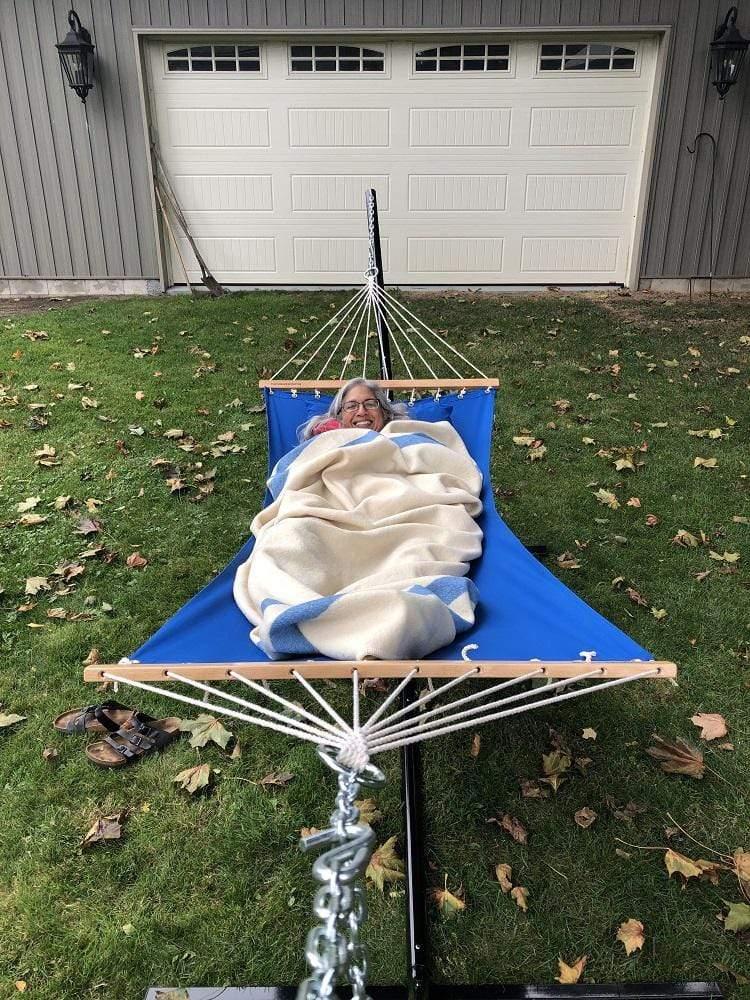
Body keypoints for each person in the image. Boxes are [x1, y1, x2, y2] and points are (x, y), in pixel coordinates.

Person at [299, 377, 409, 440]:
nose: (361, 412)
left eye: (370, 404)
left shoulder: (405, 437)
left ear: (384, 412)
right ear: (339, 417)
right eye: (351, 406)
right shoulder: (322, 447)